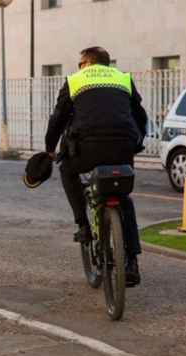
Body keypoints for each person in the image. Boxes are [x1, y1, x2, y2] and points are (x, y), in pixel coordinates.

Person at [45, 47, 148, 287]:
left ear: (86, 64)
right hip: (123, 148)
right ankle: (131, 262)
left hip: (87, 150)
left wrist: (50, 148)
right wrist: (137, 144)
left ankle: (82, 225)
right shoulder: (123, 79)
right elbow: (140, 117)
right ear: (107, 64)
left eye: (80, 64)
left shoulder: (75, 80)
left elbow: (58, 118)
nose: (79, 67)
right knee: (124, 198)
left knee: (67, 169)